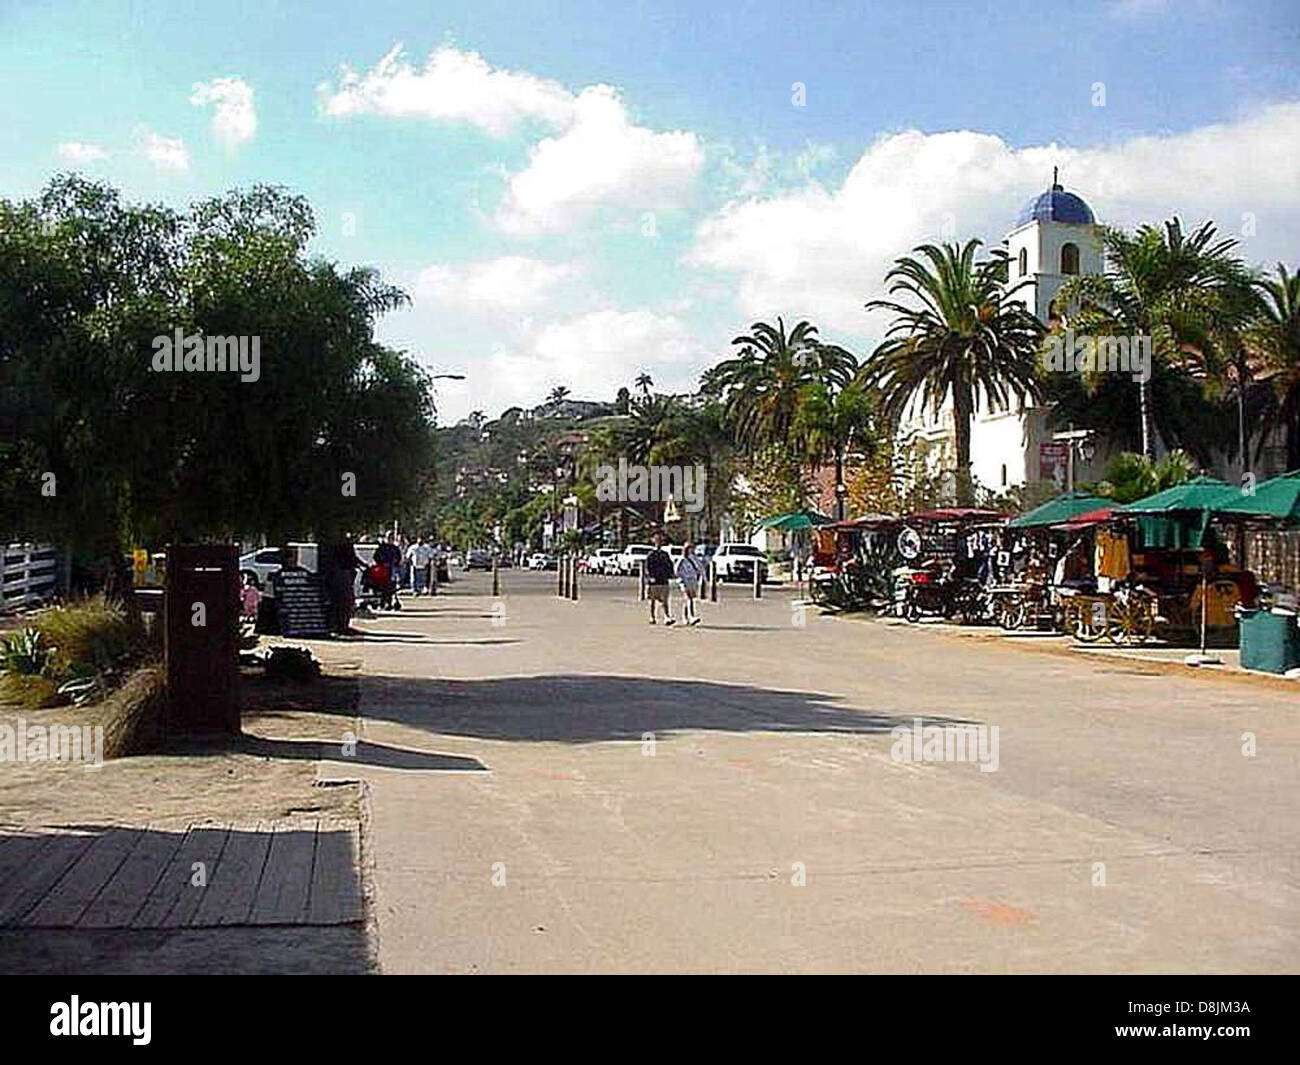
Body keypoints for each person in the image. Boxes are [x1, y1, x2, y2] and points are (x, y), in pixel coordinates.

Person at [644, 533, 676, 625]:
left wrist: (670, 575)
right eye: (657, 540)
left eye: (660, 541)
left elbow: (669, 565)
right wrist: (650, 577)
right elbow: (647, 567)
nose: (659, 542)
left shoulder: (665, 554)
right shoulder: (651, 554)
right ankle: (652, 616)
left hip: (663, 580)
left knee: (665, 600)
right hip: (653, 581)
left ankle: (667, 617)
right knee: (652, 601)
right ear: (654, 541)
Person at [676, 541, 705, 626]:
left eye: (692, 548)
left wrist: (703, 577)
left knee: (689, 599)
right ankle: (691, 616)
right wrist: (681, 578)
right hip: (684, 580)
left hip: (693, 580)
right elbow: (676, 570)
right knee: (689, 598)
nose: (691, 550)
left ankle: (685, 617)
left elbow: (700, 568)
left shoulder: (694, 558)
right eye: (689, 548)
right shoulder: (682, 559)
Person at [373, 533, 403, 610]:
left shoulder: (395, 548)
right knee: (383, 587)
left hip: (392, 570)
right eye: (389, 537)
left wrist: (396, 563)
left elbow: (399, 558)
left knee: (391, 587)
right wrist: (382, 563)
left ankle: (389, 603)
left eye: (392, 538)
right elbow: (376, 557)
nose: (391, 539)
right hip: (383, 571)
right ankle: (382, 603)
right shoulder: (382, 548)